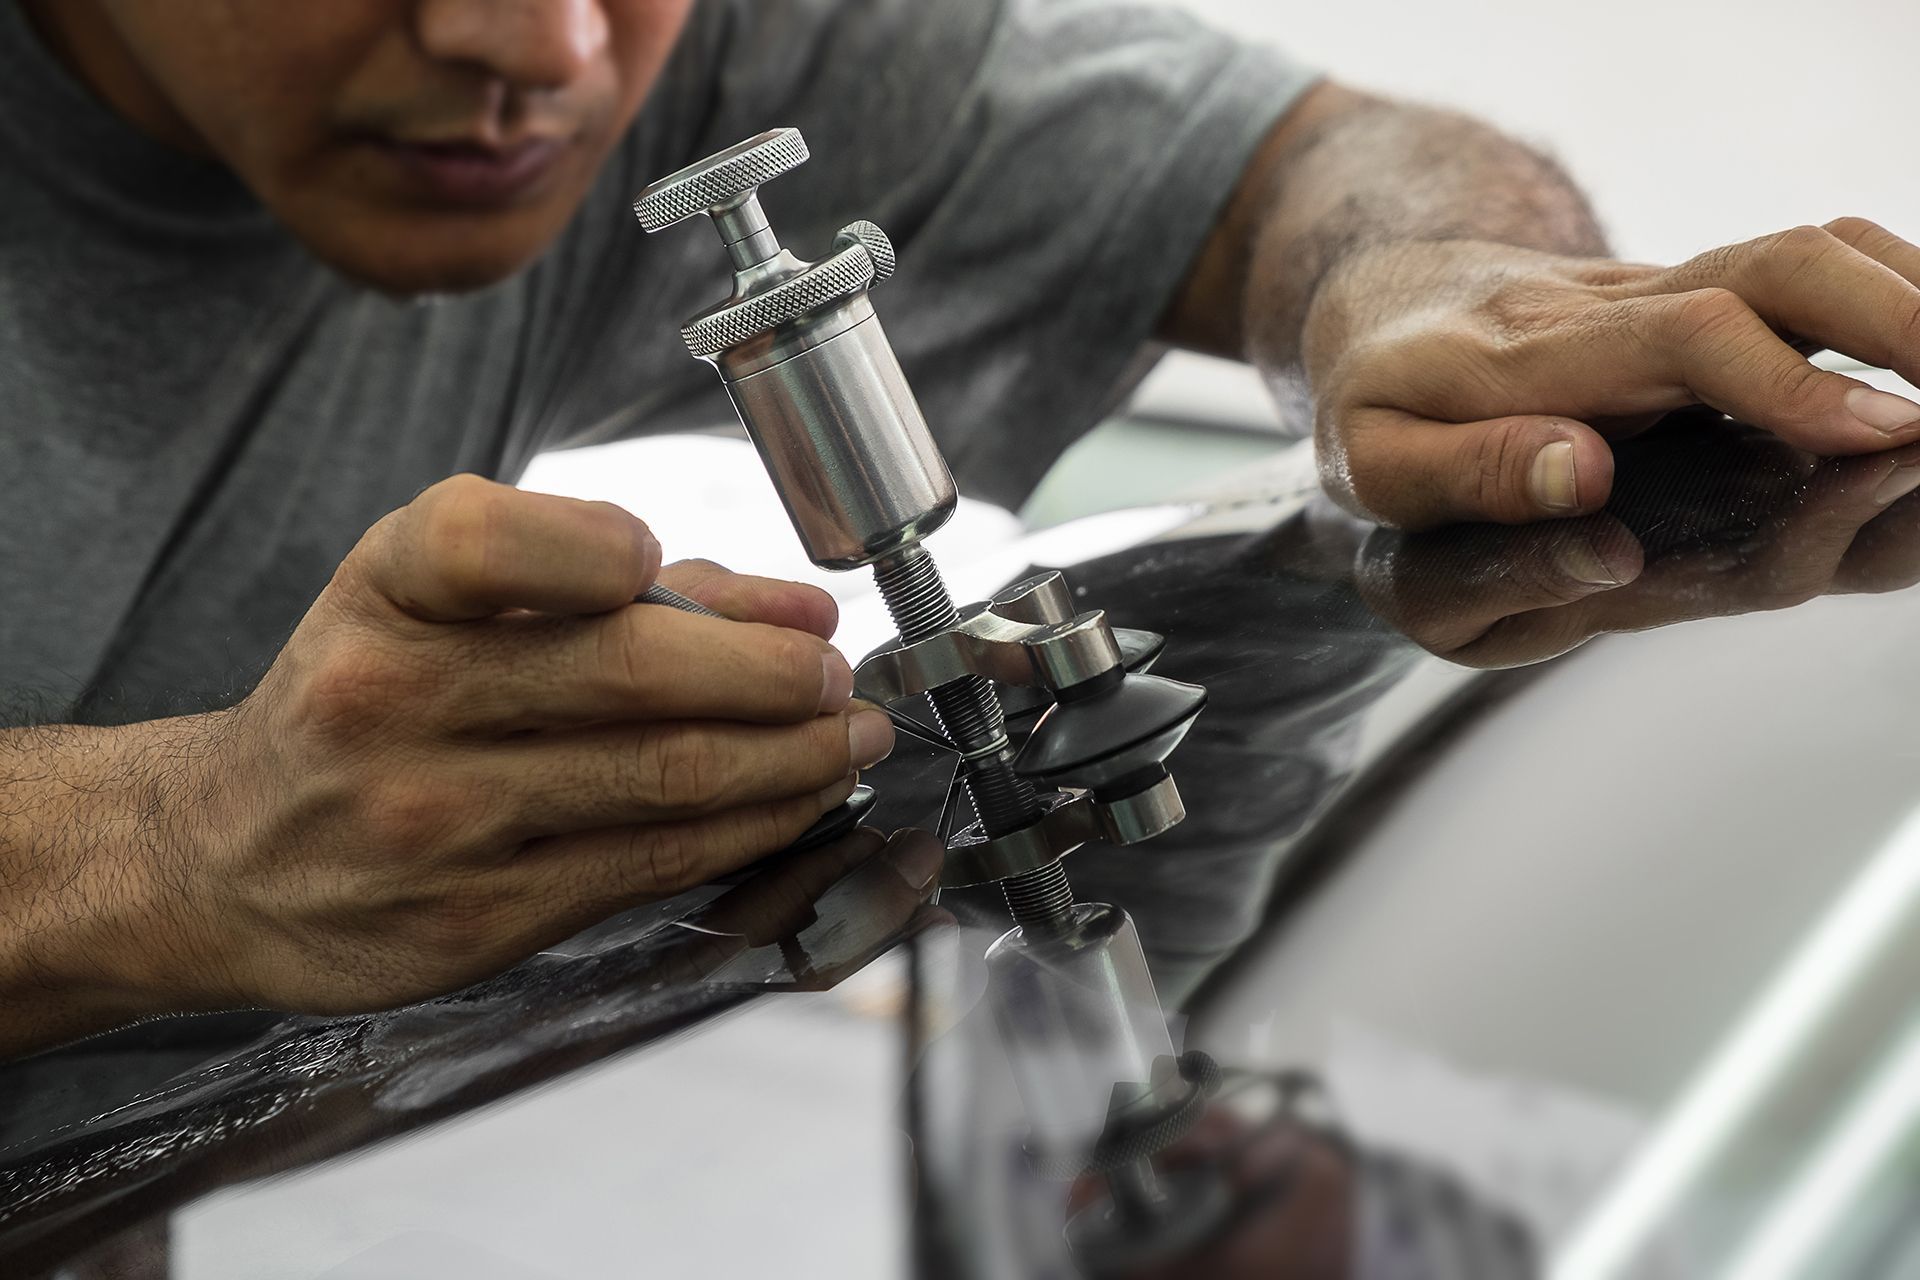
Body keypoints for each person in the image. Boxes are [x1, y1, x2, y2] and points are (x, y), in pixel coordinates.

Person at [2, 0, 1915, 1059]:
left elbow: (1297, 160)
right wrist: (160, 847)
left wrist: (1421, 278)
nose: (543, 47)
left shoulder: (659, 63)